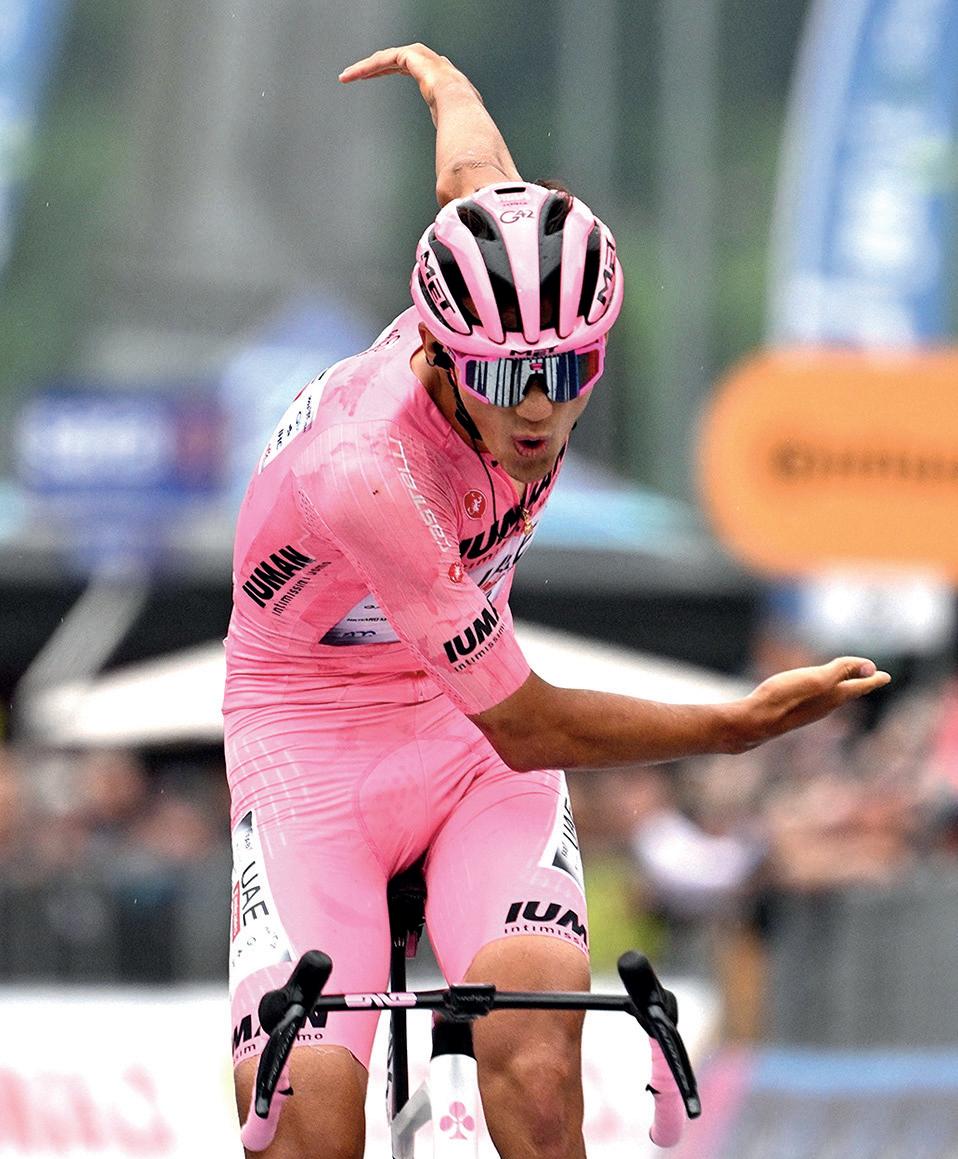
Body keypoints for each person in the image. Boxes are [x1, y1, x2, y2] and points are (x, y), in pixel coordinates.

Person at [223, 43, 890, 1159]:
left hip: (459, 738)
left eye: (568, 370)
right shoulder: (366, 472)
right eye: (501, 379)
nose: (536, 412)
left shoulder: (512, 276)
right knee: (309, 1124)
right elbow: (529, 727)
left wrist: (444, 80)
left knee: (537, 1073)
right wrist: (734, 725)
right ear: (441, 350)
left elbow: (473, 177)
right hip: (313, 741)